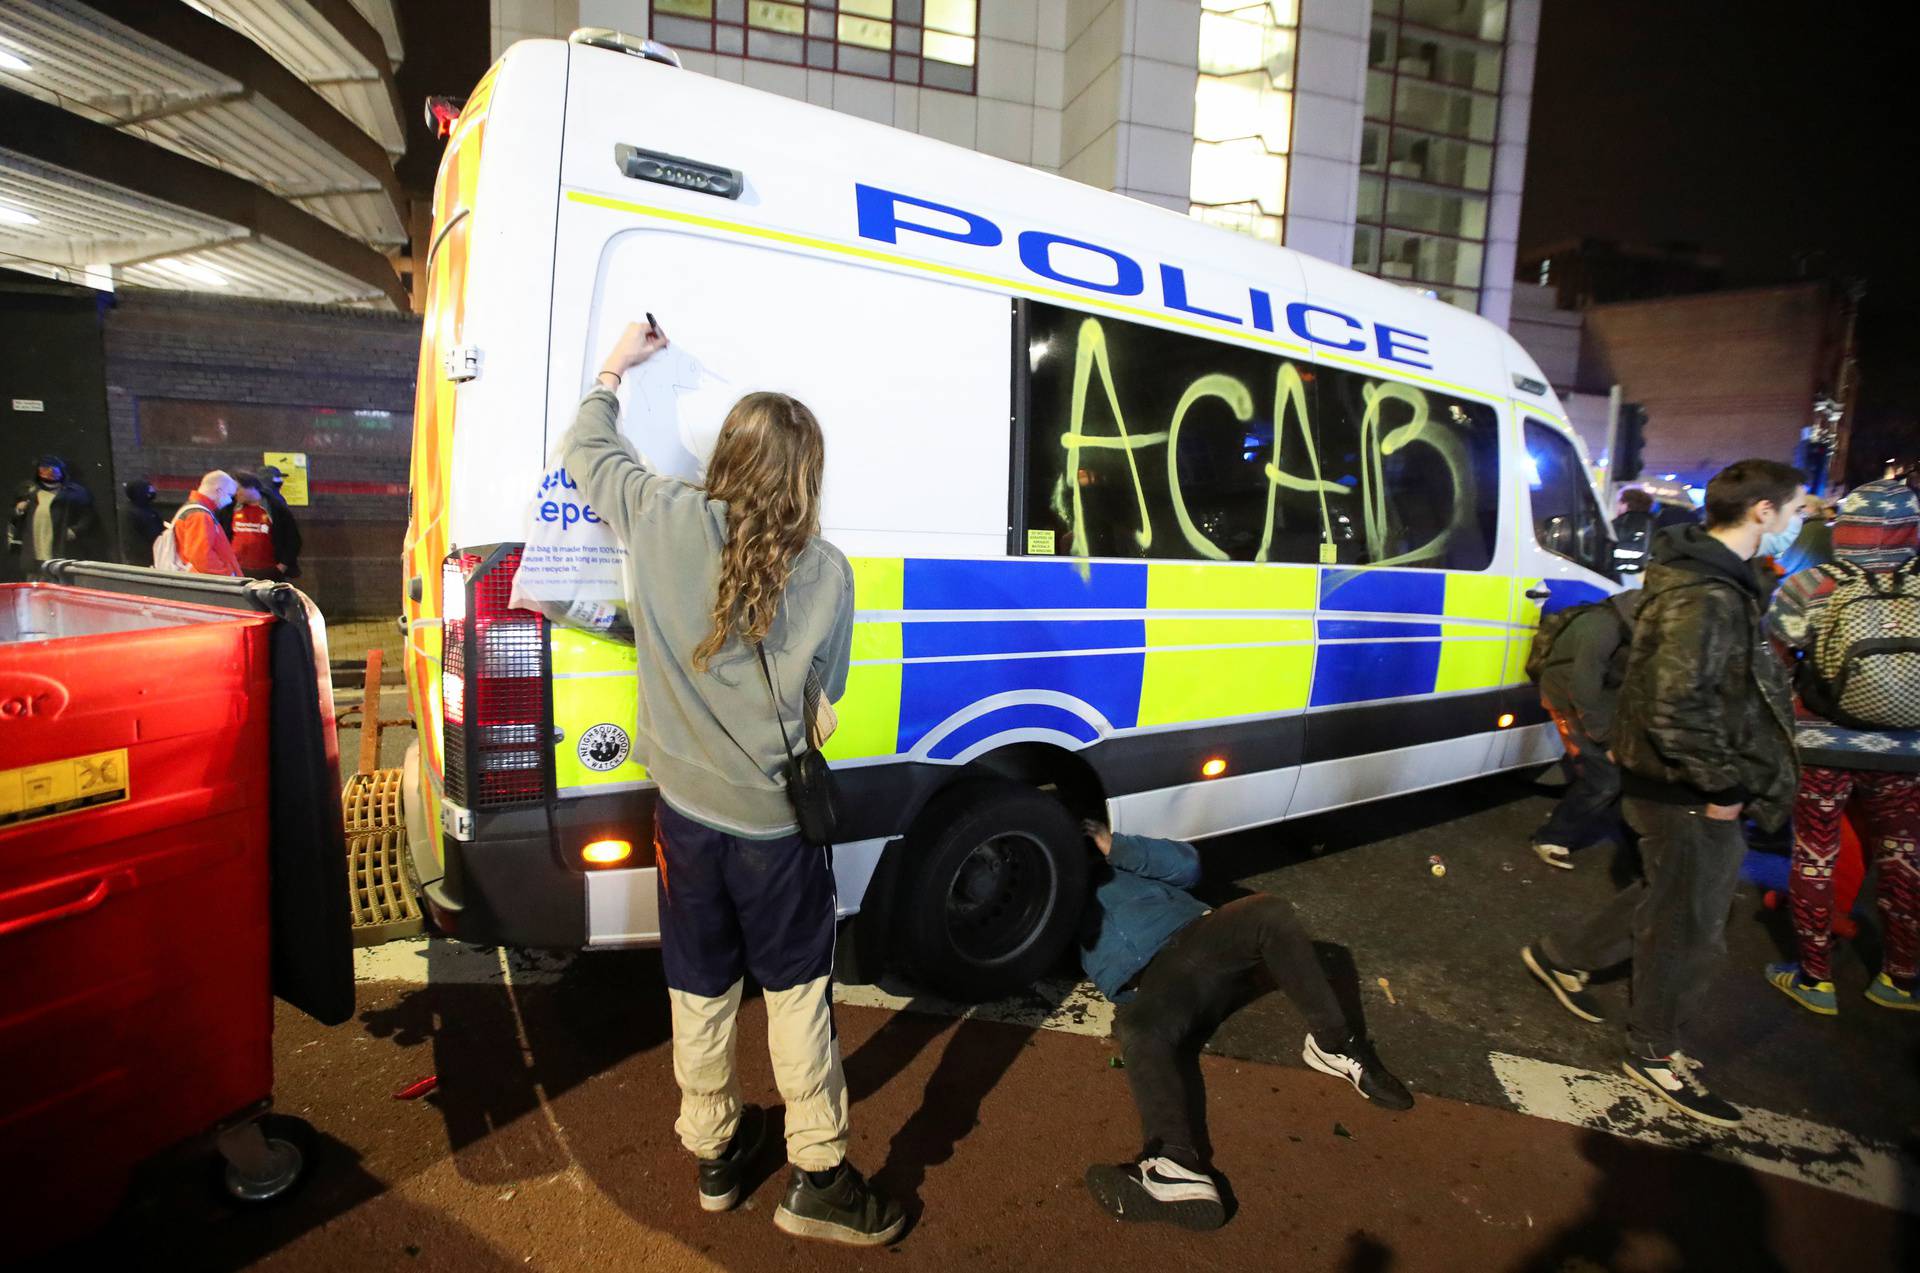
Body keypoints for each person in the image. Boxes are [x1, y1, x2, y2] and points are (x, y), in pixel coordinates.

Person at [559, 320, 900, 1247]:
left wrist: (613, 368)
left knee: (699, 987)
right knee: (796, 995)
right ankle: (819, 1172)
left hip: (685, 822)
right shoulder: (827, 572)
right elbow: (822, 695)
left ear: (729, 456)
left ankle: (715, 1152)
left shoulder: (663, 515)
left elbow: (586, 448)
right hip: (774, 833)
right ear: (805, 477)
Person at [1522, 458, 1805, 1128]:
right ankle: (1654, 1052)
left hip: (1680, 780)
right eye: (1793, 510)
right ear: (1762, 511)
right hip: (1689, 786)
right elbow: (1679, 703)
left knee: (1669, 894)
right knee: (1690, 928)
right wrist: (1725, 786)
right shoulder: (1706, 592)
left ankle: (1563, 956)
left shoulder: (1709, 580)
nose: (1794, 523)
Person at [1078, 820, 1411, 1230]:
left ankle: (1336, 1044)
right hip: (1151, 985)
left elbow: (1188, 866)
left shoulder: (1119, 859)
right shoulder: (1048, 896)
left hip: (1201, 940)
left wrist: (1111, 845)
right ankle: (1173, 1163)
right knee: (1140, 1031)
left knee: (1267, 911)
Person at [1762, 478, 1920, 1014]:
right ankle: (1900, 980)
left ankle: (1815, 978)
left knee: (1815, 853)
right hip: (1907, 754)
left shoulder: (1812, 585)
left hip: (1825, 746)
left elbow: (1775, 663)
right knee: (1903, 857)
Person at [1530, 590, 1646, 869]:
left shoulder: (1633, 623)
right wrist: (1605, 741)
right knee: (1604, 777)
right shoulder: (1600, 627)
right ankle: (1552, 837)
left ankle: (1637, 846)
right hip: (1567, 697)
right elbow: (1583, 690)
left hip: (1599, 698)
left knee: (1623, 772)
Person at [8, 454, 94, 579]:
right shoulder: (31, 494)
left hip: (60, 553)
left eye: (53, 471)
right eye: (44, 471)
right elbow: (16, 519)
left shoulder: (73, 494)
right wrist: (19, 509)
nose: (48, 475)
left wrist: (75, 531)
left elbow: (87, 515)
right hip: (35, 556)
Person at [167, 471, 244, 576]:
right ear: (219, 491)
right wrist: (226, 576)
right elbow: (201, 556)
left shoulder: (193, 510)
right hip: (212, 581)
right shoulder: (200, 515)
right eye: (230, 495)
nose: (230, 500)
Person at [220, 472, 285, 580]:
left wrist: (282, 566)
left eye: (238, 489)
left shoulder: (273, 506)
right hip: (236, 570)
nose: (234, 493)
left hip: (267, 571)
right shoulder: (229, 509)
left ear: (251, 487)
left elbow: (290, 538)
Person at [259, 464, 303, 578]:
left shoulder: (263, 497)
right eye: (278, 477)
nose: (281, 480)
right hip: (274, 560)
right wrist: (284, 563)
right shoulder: (272, 498)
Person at [1612, 488, 1657, 576]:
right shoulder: (1655, 525)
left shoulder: (1620, 523)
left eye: (1619, 503)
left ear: (1626, 504)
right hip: (1644, 577)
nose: (1617, 506)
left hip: (1617, 576)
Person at [121, 479, 165, 564]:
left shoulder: (149, 509)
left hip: (155, 553)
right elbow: (132, 541)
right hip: (143, 559)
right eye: (149, 490)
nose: (152, 492)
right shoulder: (130, 513)